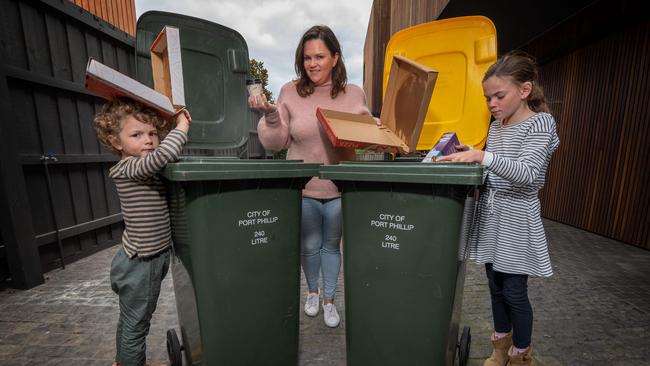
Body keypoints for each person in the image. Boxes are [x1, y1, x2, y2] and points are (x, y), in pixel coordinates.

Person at [437, 51, 560, 366]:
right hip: (493, 217)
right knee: (494, 286)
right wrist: (472, 159)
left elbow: (528, 174)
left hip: (518, 218)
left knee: (514, 291)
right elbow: (496, 171)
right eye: (487, 97)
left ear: (524, 90)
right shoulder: (496, 127)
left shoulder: (541, 123)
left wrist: (482, 157)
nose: (492, 103)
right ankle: (500, 350)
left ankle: (522, 356)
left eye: (499, 95)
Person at [249, 25, 372, 328]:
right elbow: (275, 143)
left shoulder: (353, 93)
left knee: (331, 245)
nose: (313, 64)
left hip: (340, 188)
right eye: (307, 58)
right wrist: (270, 114)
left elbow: (368, 135)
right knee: (308, 245)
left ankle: (330, 299)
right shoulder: (290, 92)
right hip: (303, 189)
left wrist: (365, 128)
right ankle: (313, 292)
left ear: (335, 57)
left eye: (320, 56)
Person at [94, 98, 191, 366]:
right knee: (137, 324)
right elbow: (162, 156)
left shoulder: (144, 167)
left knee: (131, 320)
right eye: (136, 135)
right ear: (116, 142)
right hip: (141, 264)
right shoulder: (130, 168)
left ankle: (125, 362)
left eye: (152, 133)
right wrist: (181, 127)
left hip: (145, 259)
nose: (148, 140)